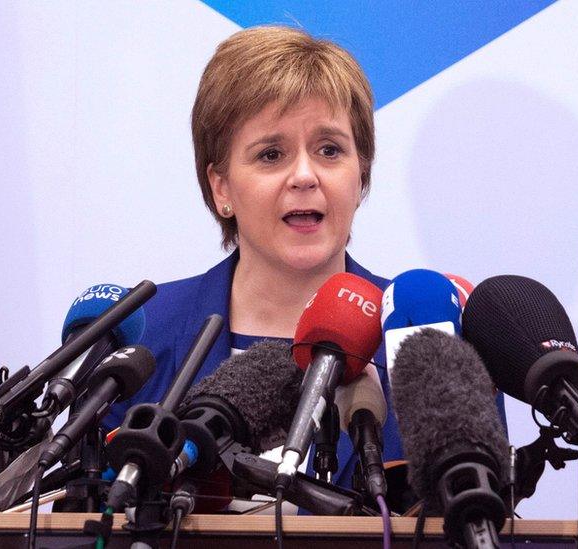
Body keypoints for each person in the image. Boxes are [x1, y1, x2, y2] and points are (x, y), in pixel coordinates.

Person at [102, 25, 397, 490]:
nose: (304, 175)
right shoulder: (142, 337)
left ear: (360, 175)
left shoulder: (424, 337)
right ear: (222, 188)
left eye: (329, 149)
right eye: (271, 154)